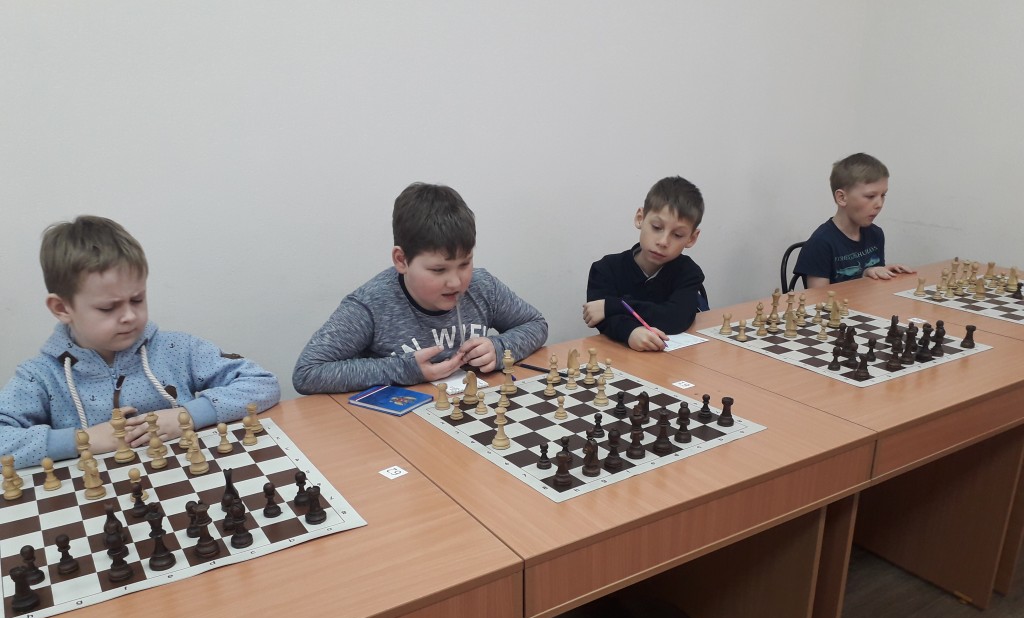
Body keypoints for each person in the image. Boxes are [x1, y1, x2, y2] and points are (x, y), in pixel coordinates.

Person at [0, 216, 281, 469]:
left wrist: (187, 416)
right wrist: (83, 440)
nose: (130, 316)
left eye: (137, 299)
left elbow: (263, 383)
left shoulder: (176, 349)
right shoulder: (40, 376)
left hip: (184, 482)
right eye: (108, 308)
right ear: (62, 308)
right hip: (96, 499)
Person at [292, 182, 548, 394]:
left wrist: (499, 348)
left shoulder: (483, 287)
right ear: (401, 260)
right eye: (438, 270)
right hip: (400, 428)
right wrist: (405, 370)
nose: (456, 282)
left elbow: (536, 324)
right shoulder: (371, 304)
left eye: (464, 264)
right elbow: (308, 372)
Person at [583, 176, 708, 351]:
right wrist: (631, 332)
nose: (663, 242)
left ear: (692, 238)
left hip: (677, 359)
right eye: (656, 227)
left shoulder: (689, 272)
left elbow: (676, 318)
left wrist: (613, 305)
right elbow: (601, 319)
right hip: (619, 356)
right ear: (640, 218)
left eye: (677, 235)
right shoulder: (605, 269)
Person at [795, 152, 915, 288]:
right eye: (870, 196)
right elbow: (819, 298)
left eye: (883, 195)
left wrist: (882, 272)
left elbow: (875, 288)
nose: (879, 204)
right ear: (842, 198)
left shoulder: (876, 234)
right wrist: (863, 276)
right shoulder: (820, 244)